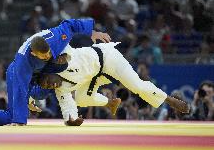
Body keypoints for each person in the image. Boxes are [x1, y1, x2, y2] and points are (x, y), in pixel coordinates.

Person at [0, 18, 111, 126]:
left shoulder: (58, 38)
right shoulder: (22, 62)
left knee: (51, 83)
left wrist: (92, 32)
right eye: (43, 56)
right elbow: (20, 88)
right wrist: (20, 119)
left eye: (48, 53)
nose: (47, 56)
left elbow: (70, 24)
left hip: (42, 70)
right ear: (34, 54)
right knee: (12, 116)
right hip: (20, 74)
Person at [36, 42, 189, 125]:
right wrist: (71, 120)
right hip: (93, 76)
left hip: (108, 59)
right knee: (81, 99)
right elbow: (67, 105)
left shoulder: (62, 59)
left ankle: (169, 99)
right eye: (48, 87)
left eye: (49, 81)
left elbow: (63, 44)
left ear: (50, 71)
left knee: (136, 86)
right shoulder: (60, 89)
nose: (51, 85)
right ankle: (110, 103)